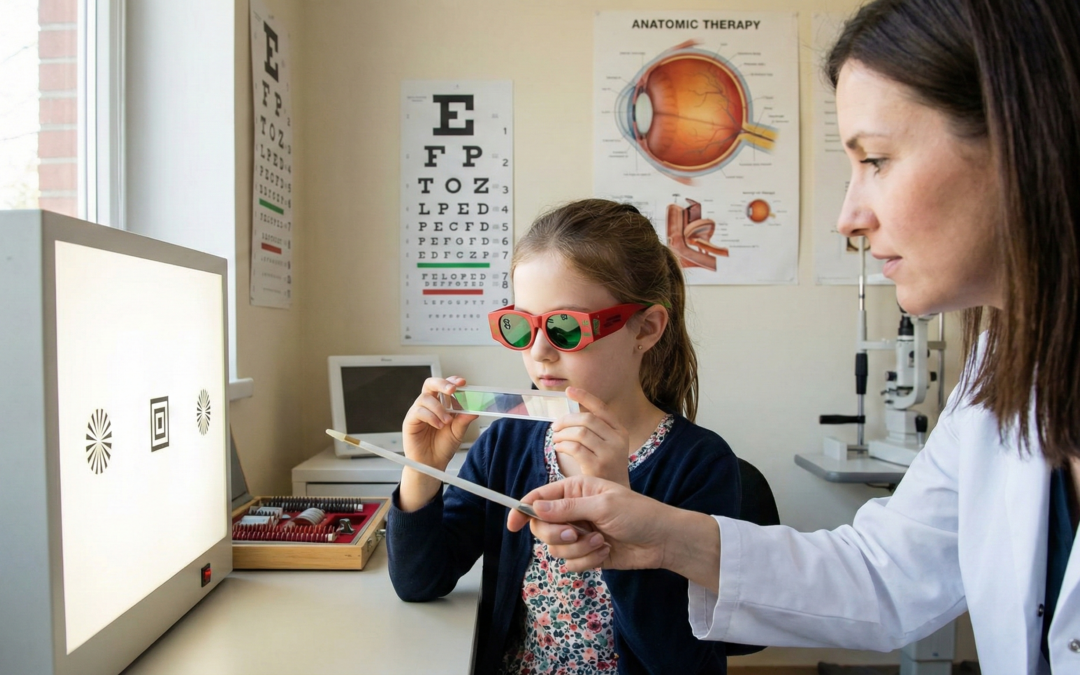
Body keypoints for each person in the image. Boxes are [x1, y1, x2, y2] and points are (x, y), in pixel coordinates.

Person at [509, 1, 1080, 673]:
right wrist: (662, 536)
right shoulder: (1002, 375)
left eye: (876, 160)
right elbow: (884, 573)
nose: (849, 217)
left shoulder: (696, 460)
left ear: (1021, 141)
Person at [387, 199, 742, 674]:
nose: (538, 352)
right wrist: (422, 470)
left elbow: (682, 664)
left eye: (565, 327)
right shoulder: (506, 443)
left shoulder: (700, 464)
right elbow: (420, 581)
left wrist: (619, 508)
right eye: (521, 325)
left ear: (646, 328)